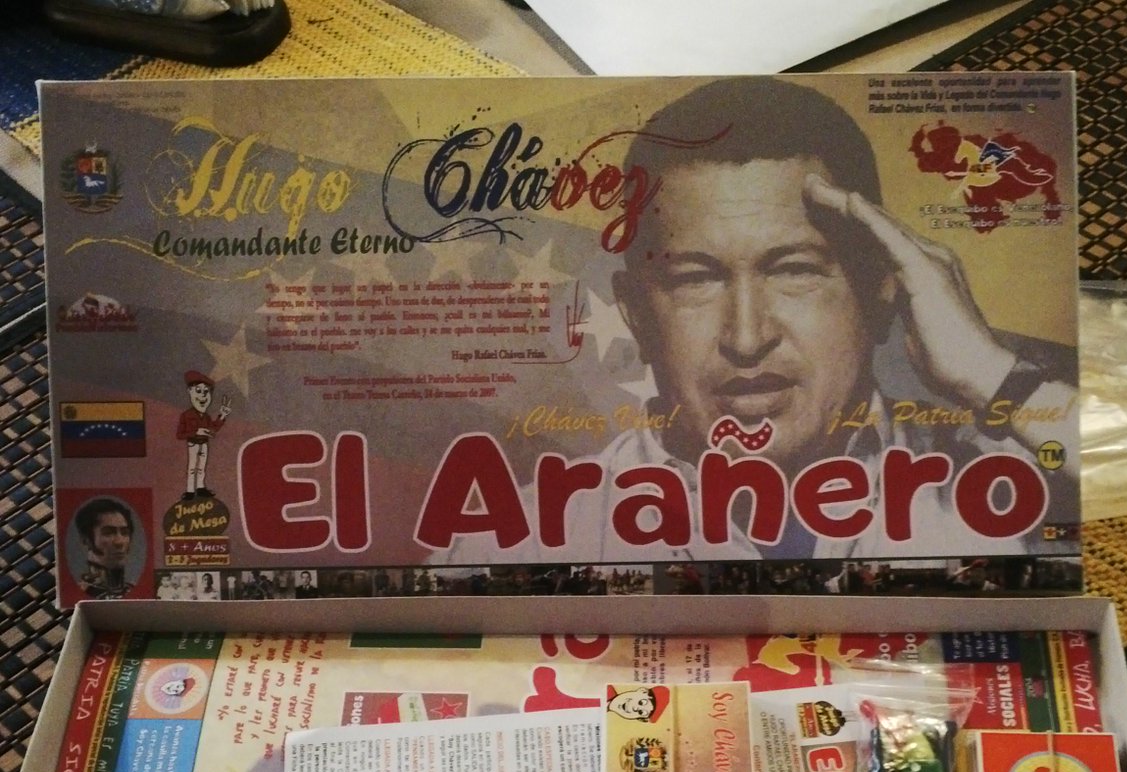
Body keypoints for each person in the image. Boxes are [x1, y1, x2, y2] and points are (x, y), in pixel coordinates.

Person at [430, 78, 1076, 568]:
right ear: (636, 314)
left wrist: (994, 376)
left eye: (793, 270)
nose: (746, 337)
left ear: (885, 287)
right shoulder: (503, 545)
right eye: (696, 279)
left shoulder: (1028, 493)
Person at [176, 369, 231, 500]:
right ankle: (190, 491)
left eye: (206, 392)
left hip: (204, 444)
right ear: (190, 392)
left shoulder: (206, 416)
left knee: (201, 468)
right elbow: (179, 434)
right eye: (198, 391)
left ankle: (200, 488)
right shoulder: (186, 415)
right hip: (193, 444)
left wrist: (222, 415)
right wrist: (196, 432)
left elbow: (213, 428)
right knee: (192, 468)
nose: (203, 396)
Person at [73, 496, 136, 598]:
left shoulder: (133, 590)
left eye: (124, 532)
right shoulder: (78, 592)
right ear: (86, 540)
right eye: (108, 533)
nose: (119, 542)